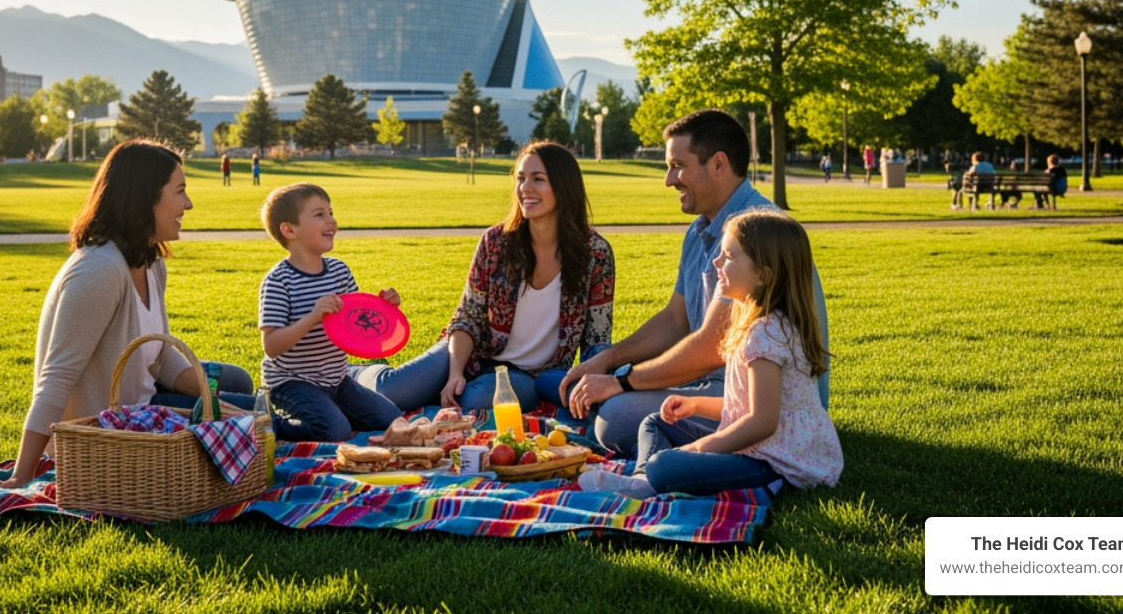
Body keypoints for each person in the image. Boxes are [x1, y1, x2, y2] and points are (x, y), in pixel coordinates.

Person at [0, 140, 253, 489]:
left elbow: (161, 361)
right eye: (180, 192)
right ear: (144, 197)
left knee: (237, 386)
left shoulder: (150, 261)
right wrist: (21, 476)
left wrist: (217, 404)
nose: (188, 204)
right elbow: (55, 379)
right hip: (109, 429)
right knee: (259, 418)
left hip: (146, 405)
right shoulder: (99, 270)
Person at [561, 109, 829, 457]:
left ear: (718, 164)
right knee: (575, 378)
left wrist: (619, 381)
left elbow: (710, 347)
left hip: (752, 397)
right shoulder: (702, 227)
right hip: (709, 381)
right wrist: (608, 360)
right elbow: (676, 319)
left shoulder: (756, 234)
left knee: (613, 417)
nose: (669, 180)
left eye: (677, 165)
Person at [579, 210, 841, 498]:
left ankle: (651, 477)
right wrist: (694, 405)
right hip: (760, 448)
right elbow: (744, 406)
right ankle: (644, 481)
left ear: (763, 276)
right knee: (654, 423)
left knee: (665, 465)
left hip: (776, 464)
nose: (717, 262)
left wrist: (701, 448)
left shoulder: (766, 336)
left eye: (728, 257)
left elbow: (763, 422)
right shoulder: (761, 326)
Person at [352, 142, 615, 411]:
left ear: (564, 186)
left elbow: (597, 340)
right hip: (469, 354)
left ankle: (442, 391)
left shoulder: (595, 255)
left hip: (528, 376)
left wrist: (606, 387)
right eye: (521, 179)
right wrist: (455, 372)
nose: (526, 188)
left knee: (476, 401)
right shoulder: (496, 243)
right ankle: (354, 374)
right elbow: (467, 317)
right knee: (390, 392)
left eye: (538, 179)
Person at [258, 182, 404, 441]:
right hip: (292, 383)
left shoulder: (339, 271)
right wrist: (313, 317)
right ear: (290, 230)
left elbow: (357, 327)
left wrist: (384, 309)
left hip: (338, 380)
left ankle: (333, 411)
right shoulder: (279, 281)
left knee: (393, 420)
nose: (332, 220)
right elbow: (271, 345)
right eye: (319, 215)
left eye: (331, 212)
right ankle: (272, 424)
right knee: (335, 431)